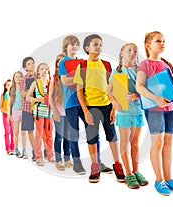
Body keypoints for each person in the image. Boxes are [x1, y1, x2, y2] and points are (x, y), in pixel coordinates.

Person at [135, 31, 173, 195]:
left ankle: (168, 178)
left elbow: (172, 88)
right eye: (158, 41)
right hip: (154, 110)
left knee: (167, 144)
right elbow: (139, 87)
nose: (162, 43)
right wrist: (156, 98)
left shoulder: (166, 65)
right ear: (148, 45)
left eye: (164, 41)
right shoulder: (144, 64)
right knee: (157, 144)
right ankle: (159, 180)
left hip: (170, 110)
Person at [73, 34, 125, 183]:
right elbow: (78, 91)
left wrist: (114, 108)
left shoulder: (107, 65)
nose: (99, 47)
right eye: (95, 44)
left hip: (107, 106)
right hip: (91, 107)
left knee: (112, 137)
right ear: (87, 48)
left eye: (100, 44)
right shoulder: (82, 66)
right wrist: (85, 111)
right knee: (92, 138)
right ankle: (95, 166)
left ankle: (117, 165)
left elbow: (113, 89)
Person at [59, 35, 112, 175]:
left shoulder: (82, 62)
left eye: (77, 45)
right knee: (74, 133)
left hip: (86, 102)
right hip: (71, 102)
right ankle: (77, 163)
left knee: (92, 132)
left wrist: (85, 80)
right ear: (66, 47)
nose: (75, 47)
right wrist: (83, 80)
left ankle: (98, 162)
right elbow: (64, 81)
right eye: (72, 45)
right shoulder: (63, 61)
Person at [107, 43, 148, 189]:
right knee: (124, 141)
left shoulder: (140, 71)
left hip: (137, 110)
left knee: (135, 141)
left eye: (135, 51)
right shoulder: (117, 71)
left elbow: (146, 91)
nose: (132, 53)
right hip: (124, 111)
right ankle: (128, 173)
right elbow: (109, 91)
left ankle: (136, 171)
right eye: (129, 50)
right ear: (121, 53)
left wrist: (137, 95)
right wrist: (114, 103)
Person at [27, 63, 54, 166]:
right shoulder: (35, 83)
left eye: (46, 69)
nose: (44, 70)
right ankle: (38, 157)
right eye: (42, 69)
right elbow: (28, 97)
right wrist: (37, 99)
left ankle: (50, 155)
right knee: (38, 135)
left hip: (49, 113)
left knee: (49, 135)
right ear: (38, 71)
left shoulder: (50, 83)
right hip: (38, 113)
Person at [50, 54, 72, 170]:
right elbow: (50, 97)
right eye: (58, 62)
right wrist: (55, 112)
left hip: (68, 112)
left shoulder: (69, 77)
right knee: (59, 136)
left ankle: (67, 158)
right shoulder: (54, 78)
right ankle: (59, 160)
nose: (60, 64)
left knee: (68, 136)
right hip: (58, 112)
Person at [20, 57, 37, 161]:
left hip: (39, 106)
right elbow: (23, 94)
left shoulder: (39, 75)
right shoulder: (24, 79)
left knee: (41, 130)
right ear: (25, 68)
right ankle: (35, 151)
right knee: (30, 130)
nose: (32, 65)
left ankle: (42, 151)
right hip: (27, 107)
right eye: (29, 64)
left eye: (32, 63)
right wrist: (32, 89)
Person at [7, 71, 27, 158]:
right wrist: (9, 114)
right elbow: (9, 103)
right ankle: (16, 149)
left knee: (23, 132)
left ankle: (24, 150)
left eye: (20, 77)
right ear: (14, 79)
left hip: (24, 111)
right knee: (16, 132)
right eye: (16, 77)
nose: (18, 78)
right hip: (15, 111)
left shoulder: (25, 88)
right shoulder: (12, 89)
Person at [0, 79, 14, 155]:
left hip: (13, 115)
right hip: (5, 115)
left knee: (13, 132)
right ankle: (8, 148)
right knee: (7, 132)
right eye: (8, 85)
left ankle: (13, 148)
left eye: (10, 85)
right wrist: (7, 112)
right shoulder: (3, 95)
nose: (9, 87)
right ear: (5, 86)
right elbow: (0, 107)